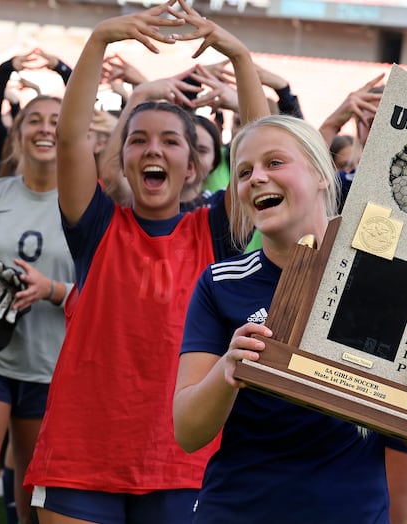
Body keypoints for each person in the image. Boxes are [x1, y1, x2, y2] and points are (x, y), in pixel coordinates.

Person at [24, 1, 270, 522]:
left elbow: (261, 152)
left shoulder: (214, 231)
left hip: (182, 462)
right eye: (138, 139)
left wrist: (242, 59)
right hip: (80, 456)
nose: (152, 149)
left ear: (192, 165)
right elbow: (72, 140)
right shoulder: (96, 226)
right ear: (123, 159)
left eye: (169, 141)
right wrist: (98, 41)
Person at [173, 113, 407, 523]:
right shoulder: (221, 284)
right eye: (243, 171)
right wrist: (229, 367)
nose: (256, 177)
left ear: (322, 176)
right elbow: (187, 432)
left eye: (274, 163)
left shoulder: (385, 280)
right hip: (238, 511)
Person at [0, 94, 75, 524]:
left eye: (55, 121)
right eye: (35, 120)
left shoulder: (85, 203)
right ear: (18, 133)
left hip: (51, 366)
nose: (46, 128)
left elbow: (103, 287)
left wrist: (53, 289)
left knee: (33, 499)